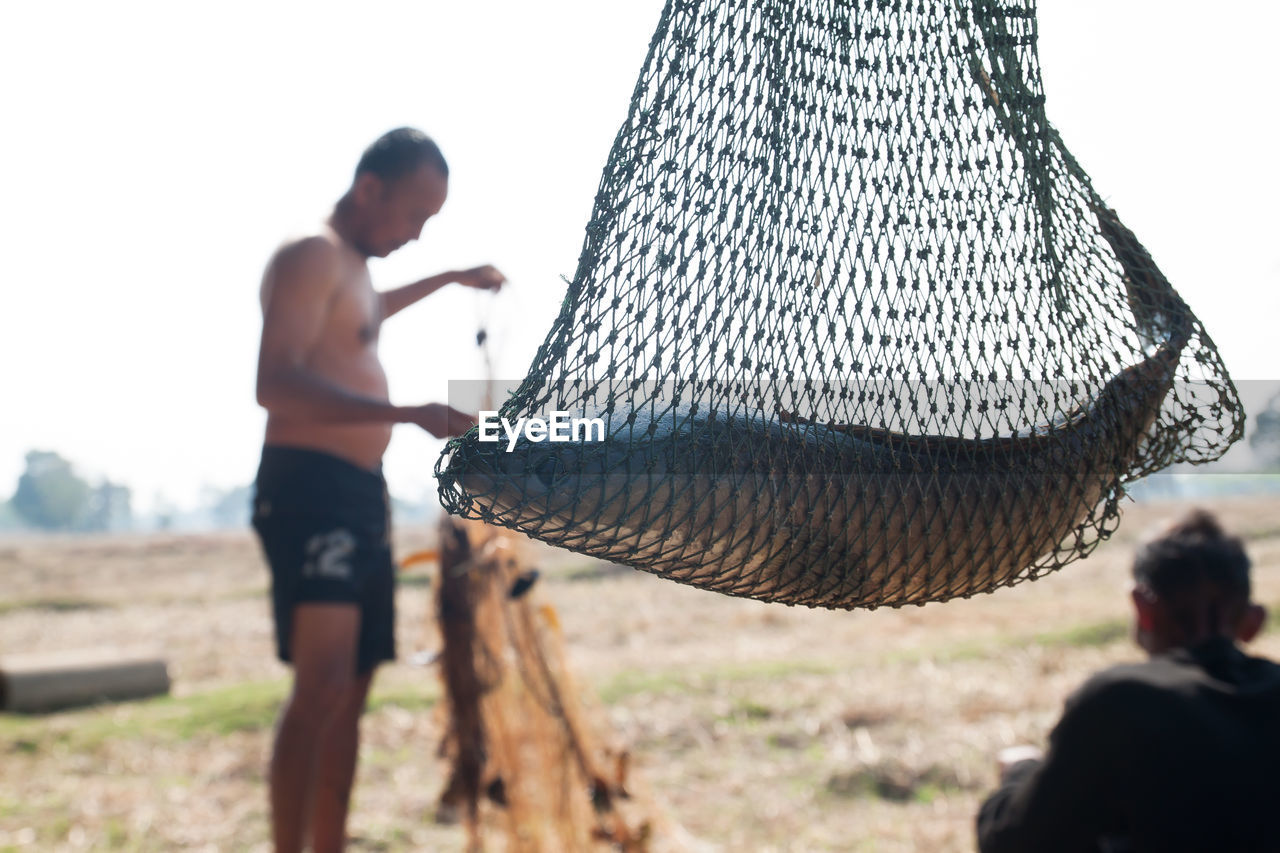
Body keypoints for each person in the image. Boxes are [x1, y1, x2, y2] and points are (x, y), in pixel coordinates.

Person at [251, 127, 504, 853]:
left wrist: (450, 277)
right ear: (370, 189)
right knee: (321, 686)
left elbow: (368, 313)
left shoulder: (351, 271)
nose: (415, 235)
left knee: (351, 694)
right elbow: (275, 383)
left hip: (362, 493)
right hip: (313, 490)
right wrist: (410, 413)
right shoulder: (310, 254)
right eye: (413, 217)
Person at [976, 508, 1280, 853]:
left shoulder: (1123, 701)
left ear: (1143, 609)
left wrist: (1019, 774)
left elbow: (1015, 842)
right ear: (1253, 622)